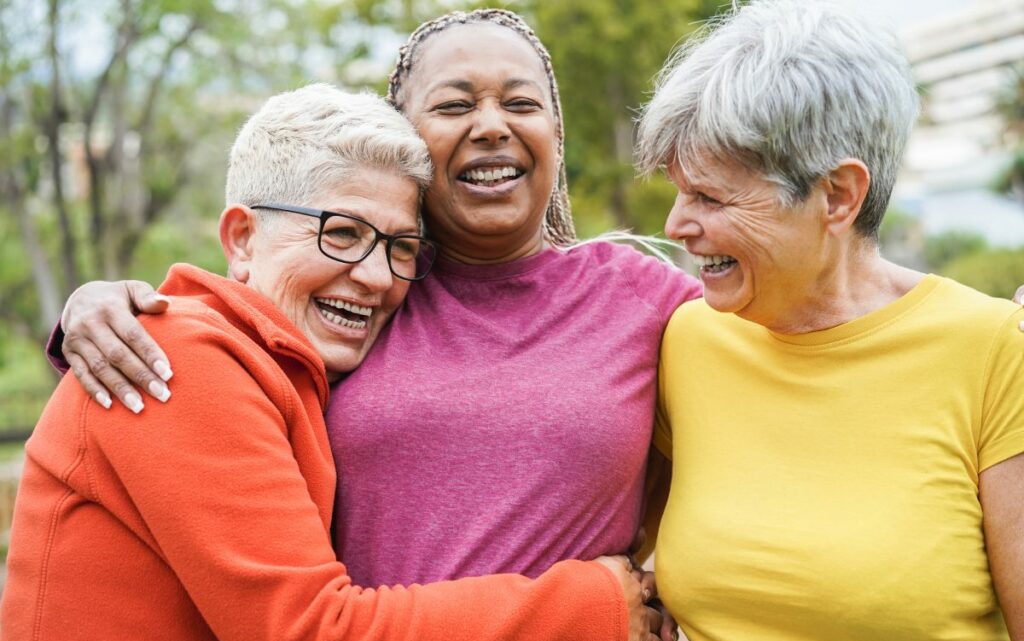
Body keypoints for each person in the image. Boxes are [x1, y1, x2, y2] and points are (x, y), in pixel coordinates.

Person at [51, 7, 699, 609]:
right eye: (455, 104)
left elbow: (776, 350)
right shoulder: (369, 294)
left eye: (522, 103)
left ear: (555, 134)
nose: (493, 124)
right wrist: (101, 303)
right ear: (410, 141)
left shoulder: (645, 300)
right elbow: (233, 324)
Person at [635, 0, 1024, 641]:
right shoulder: (687, 339)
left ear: (838, 195)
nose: (676, 224)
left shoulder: (993, 353)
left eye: (710, 196)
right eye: (678, 191)